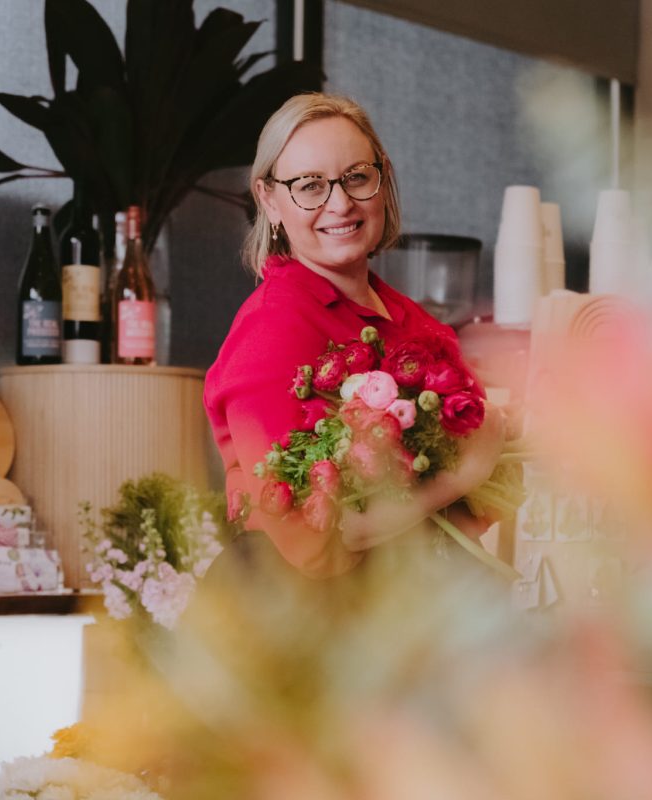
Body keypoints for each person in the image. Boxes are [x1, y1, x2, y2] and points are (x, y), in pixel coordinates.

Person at [204, 93, 505, 579]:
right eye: (309, 186)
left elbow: (481, 511)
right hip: (295, 613)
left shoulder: (414, 322)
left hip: (404, 610)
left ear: (382, 178)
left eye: (356, 177)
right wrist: (465, 472)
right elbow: (315, 546)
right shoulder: (273, 329)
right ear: (268, 199)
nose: (339, 203)